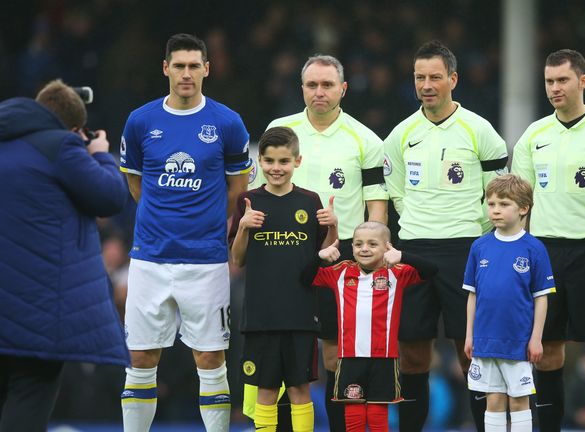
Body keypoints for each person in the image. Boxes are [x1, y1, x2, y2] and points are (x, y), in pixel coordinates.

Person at [119, 33, 253, 432]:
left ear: (207, 70)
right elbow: (135, 183)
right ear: (165, 68)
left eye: (195, 65)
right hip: (149, 258)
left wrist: (207, 222)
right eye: (179, 65)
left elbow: (238, 188)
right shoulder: (141, 121)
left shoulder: (227, 123)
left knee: (210, 359)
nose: (186, 73)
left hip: (206, 260)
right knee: (141, 357)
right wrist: (163, 218)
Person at [249, 54, 388, 431]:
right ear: (302, 89)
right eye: (312, 85)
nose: (319, 92)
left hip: (338, 257)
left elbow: (377, 204)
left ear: (343, 88)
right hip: (281, 254)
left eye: (327, 85)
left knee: (333, 354)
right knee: (279, 356)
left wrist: (369, 255)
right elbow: (255, 193)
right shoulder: (280, 128)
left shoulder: (365, 140)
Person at [383, 39, 509, 431]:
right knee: (412, 356)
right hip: (414, 251)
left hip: (467, 251)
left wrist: (472, 231)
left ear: (452, 78)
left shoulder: (479, 130)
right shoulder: (401, 135)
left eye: (435, 76)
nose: (427, 84)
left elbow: (498, 196)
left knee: (469, 352)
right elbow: (397, 195)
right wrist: (422, 226)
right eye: (420, 77)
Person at [0, 79, 130, 431]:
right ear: (74, 129)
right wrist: (100, 153)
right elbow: (110, 197)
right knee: (29, 398)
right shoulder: (60, 146)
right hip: (36, 314)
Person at [510, 49, 585, 432]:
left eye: (562, 80)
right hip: (545, 252)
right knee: (546, 345)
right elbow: (519, 203)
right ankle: (548, 426)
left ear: (583, 81)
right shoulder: (533, 135)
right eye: (549, 81)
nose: (554, 88)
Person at [229, 126, 338, 432]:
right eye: (269, 161)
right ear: (259, 162)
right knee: (265, 390)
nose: (276, 168)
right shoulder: (248, 202)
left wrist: (333, 227)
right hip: (261, 314)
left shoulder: (309, 200)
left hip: (301, 312)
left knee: (299, 389)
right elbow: (237, 260)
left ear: (297, 161)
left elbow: (327, 253)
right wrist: (243, 228)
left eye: (283, 161)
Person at [312, 221, 438, 432]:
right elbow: (304, 277)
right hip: (349, 357)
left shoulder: (397, 272)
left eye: (372, 244)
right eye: (358, 244)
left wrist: (403, 255)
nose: (364, 248)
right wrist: (318, 257)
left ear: (386, 247)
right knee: (353, 412)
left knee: (378, 412)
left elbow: (431, 271)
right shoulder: (341, 271)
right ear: (351, 246)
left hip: (385, 358)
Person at [463, 174, 554, 432]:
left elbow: (541, 297)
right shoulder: (479, 246)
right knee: (493, 400)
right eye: (491, 204)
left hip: (518, 341)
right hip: (486, 340)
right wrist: (470, 335)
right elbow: (473, 295)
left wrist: (536, 338)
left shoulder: (534, 248)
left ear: (523, 208)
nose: (495, 210)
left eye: (503, 204)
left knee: (518, 399)